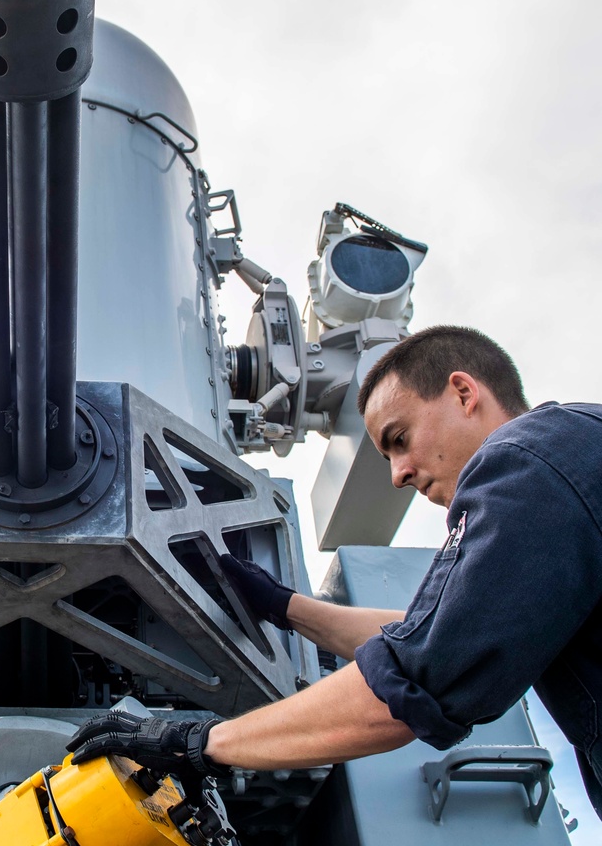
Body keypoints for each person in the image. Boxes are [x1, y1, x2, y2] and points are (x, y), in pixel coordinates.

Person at [68, 325, 602, 819]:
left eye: (399, 438)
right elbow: (434, 638)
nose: (398, 475)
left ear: (464, 393)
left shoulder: (523, 460)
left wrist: (199, 744)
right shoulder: (568, 456)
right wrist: (283, 606)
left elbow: (414, 680)